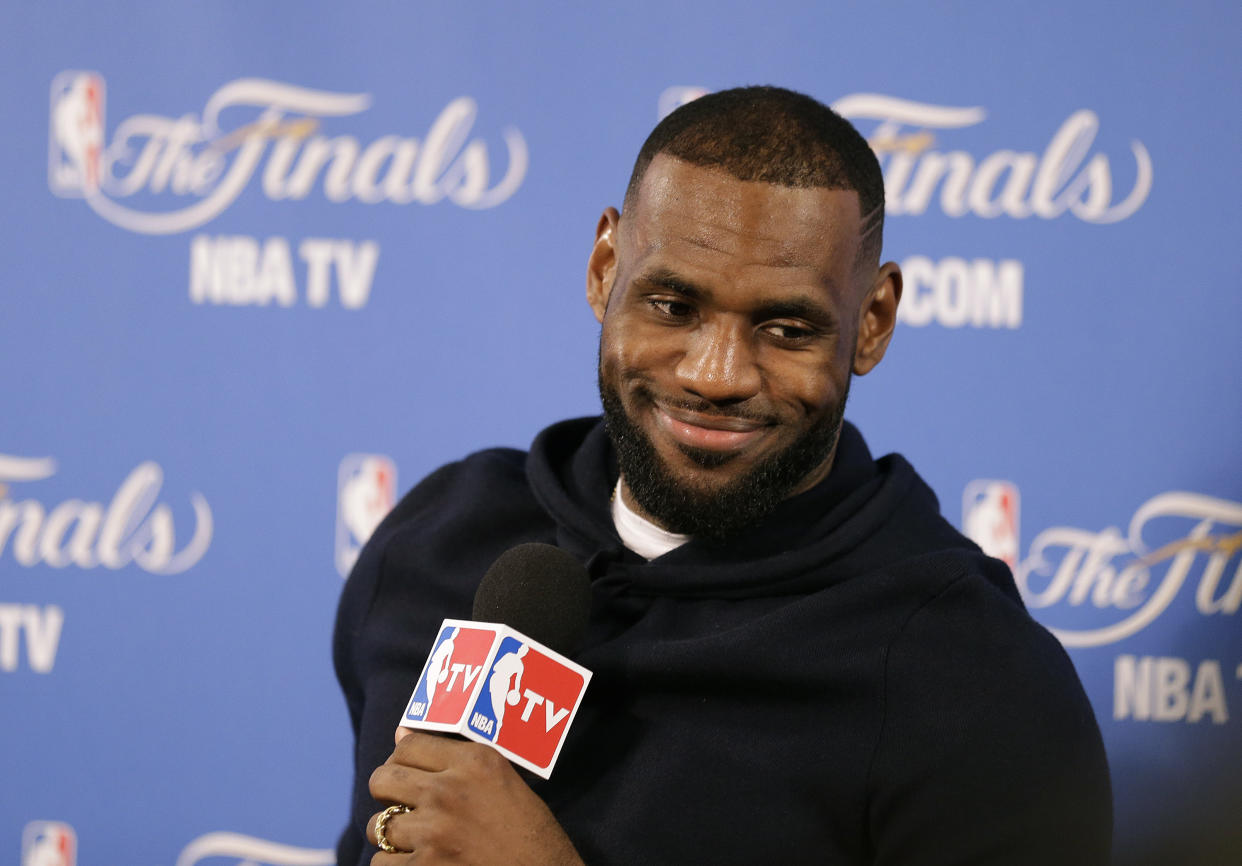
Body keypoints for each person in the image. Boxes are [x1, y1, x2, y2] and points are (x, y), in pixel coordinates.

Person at [333, 85, 1112, 865]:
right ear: (606, 269)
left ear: (871, 323)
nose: (715, 375)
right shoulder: (440, 537)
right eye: (673, 305)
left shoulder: (975, 681)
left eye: (785, 328)